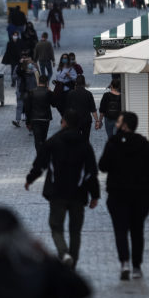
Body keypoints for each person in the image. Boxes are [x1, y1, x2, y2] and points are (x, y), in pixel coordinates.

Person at [25, 110, 100, 267]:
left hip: (57, 192)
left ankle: (63, 252)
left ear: (63, 122)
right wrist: (95, 195)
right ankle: (72, 262)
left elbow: (40, 164)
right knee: (75, 230)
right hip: (78, 194)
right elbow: (91, 172)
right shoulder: (84, 144)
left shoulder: (53, 141)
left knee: (56, 226)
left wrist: (30, 179)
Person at [98, 111, 149, 280]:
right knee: (137, 231)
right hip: (140, 196)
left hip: (117, 194)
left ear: (124, 125)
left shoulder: (113, 143)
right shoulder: (144, 144)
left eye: (118, 122)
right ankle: (137, 267)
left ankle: (124, 262)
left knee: (120, 230)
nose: (116, 124)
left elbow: (102, 166)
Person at [25, 75, 58, 155]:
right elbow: (54, 104)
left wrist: (28, 122)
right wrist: (52, 92)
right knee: (43, 137)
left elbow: (28, 108)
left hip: (35, 118)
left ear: (38, 82)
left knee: (37, 139)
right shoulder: (48, 92)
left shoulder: (31, 92)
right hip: (45, 118)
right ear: (47, 83)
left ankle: (39, 154)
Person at [66, 75, 100, 142]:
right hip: (86, 120)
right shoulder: (88, 94)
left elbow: (67, 109)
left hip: (74, 121)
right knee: (85, 140)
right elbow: (93, 110)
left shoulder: (70, 94)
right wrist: (97, 121)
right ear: (84, 83)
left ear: (76, 83)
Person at [14, 52, 39, 128]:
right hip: (22, 89)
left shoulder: (34, 69)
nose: (25, 60)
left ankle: (29, 121)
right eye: (23, 59)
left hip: (32, 91)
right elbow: (17, 73)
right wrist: (20, 64)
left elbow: (38, 77)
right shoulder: (23, 69)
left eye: (26, 59)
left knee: (30, 107)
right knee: (20, 105)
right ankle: (18, 120)